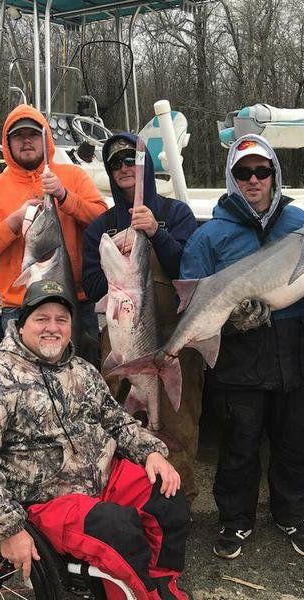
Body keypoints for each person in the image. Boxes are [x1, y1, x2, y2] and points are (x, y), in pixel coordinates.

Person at [0, 279, 192, 600]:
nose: (53, 327)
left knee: (169, 497)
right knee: (118, 531)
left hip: (101, 477)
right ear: (21, 325)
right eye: (42, 319)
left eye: (61, 319)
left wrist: (150, 453)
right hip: (43, 501)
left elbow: (115, 419)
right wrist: (6, 529)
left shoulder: (83, 370)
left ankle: (162, 587)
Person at [179, 134, 304, 560]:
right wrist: (234, 322)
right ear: (231, 178)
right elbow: (191, 298)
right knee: (239, 445)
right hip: (241, 359)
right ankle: (234, 521)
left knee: (296, 442)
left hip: (295, 351)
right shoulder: (210, 237)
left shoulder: (301, 223)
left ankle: (292, 515)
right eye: (243, 172)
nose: (253, 179)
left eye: (262, 171)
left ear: (274, 176)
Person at [82, 133, 204, 504]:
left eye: (130, 160)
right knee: (118, 423)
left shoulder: (175, 214)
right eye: (115, 163)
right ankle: (125, 501)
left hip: (174, 339)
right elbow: (90, 285)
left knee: (178, 425)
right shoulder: (99, 227)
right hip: (122, 339)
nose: (123, 168)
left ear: (146, 165)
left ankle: (176, 506)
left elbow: (190, 269)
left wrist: (155, 233)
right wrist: (115, 267)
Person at [0, 105, 107, 356]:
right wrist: (13, 223)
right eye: (18, 136)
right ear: (7, 143)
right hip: (18, 310)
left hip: (74, 305)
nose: (26, 141)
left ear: (46, 138)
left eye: (33, 134)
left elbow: (102, 219)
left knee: (80, 385)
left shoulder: (73, 176)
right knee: (25, 392)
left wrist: (65, 196)